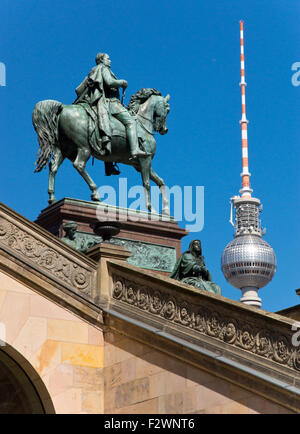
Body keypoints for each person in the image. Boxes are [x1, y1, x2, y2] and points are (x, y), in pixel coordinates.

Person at [74, 52, 149, 167]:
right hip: (112, 104)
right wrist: (122, 82)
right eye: (108, 59)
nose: (110, 61)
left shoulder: (93, 71)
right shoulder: (103, 69)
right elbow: (109, 82)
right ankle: (135, 150)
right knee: (130, 121)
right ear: (102, 60)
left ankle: (109, 164)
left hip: (105, 104)